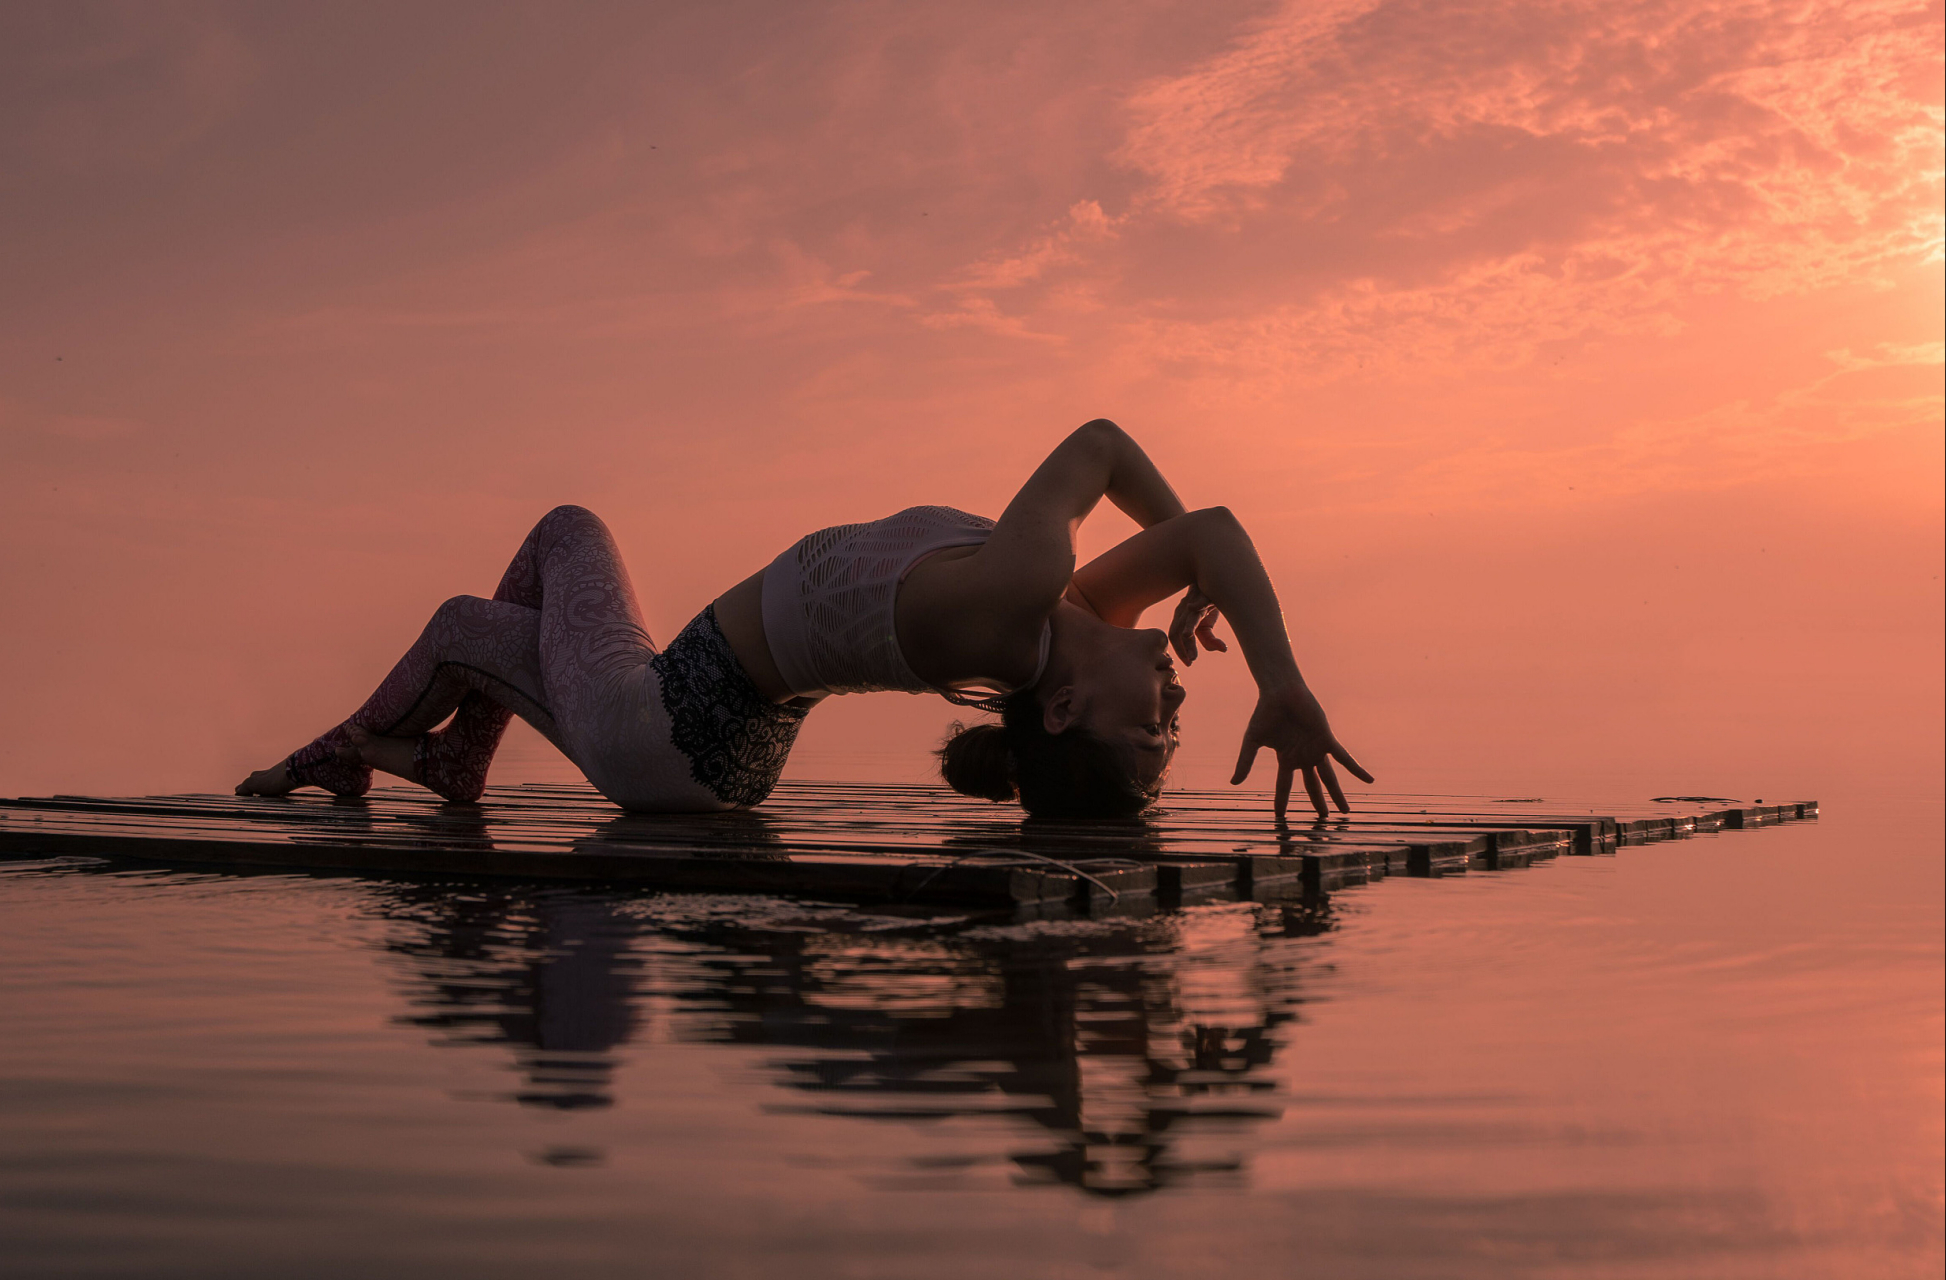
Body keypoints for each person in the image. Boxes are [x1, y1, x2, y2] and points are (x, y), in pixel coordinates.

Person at [236, 419, 1370, 820]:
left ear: (1065, 708)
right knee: (520, 591)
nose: (1176, 706)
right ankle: (439, 766)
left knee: (481, 600)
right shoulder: (1075, 611)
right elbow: (1211, 527)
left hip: (664, 730)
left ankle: (350, 756)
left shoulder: (1018, 598)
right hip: (708, 725)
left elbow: (1100, 444)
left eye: (1151, 732)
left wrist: (1212, 601)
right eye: (1176, 728)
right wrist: (1268, 664)